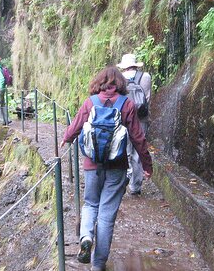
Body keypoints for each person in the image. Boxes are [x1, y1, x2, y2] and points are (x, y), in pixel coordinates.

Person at [60, 66, 153, 271]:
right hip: (117, 167)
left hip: (92, 165)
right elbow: (138, 137)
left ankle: (85, 238)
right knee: (106, 215)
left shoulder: (90, 102)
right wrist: (147, 165)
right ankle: (98, 264)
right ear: (120, 83)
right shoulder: (126, 104)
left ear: (99, 82)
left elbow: (76, 126)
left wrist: (66, 139)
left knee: (90, 204)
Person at [118, 53, 152, 196]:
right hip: (141, 118)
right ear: (135, 65)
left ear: (124, 67)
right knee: (138, 151)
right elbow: (148, 98)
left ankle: (123, 182)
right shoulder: (146, 77)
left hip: (123, 119)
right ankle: (135, 186)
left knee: (124, 151)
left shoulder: (118, 79)